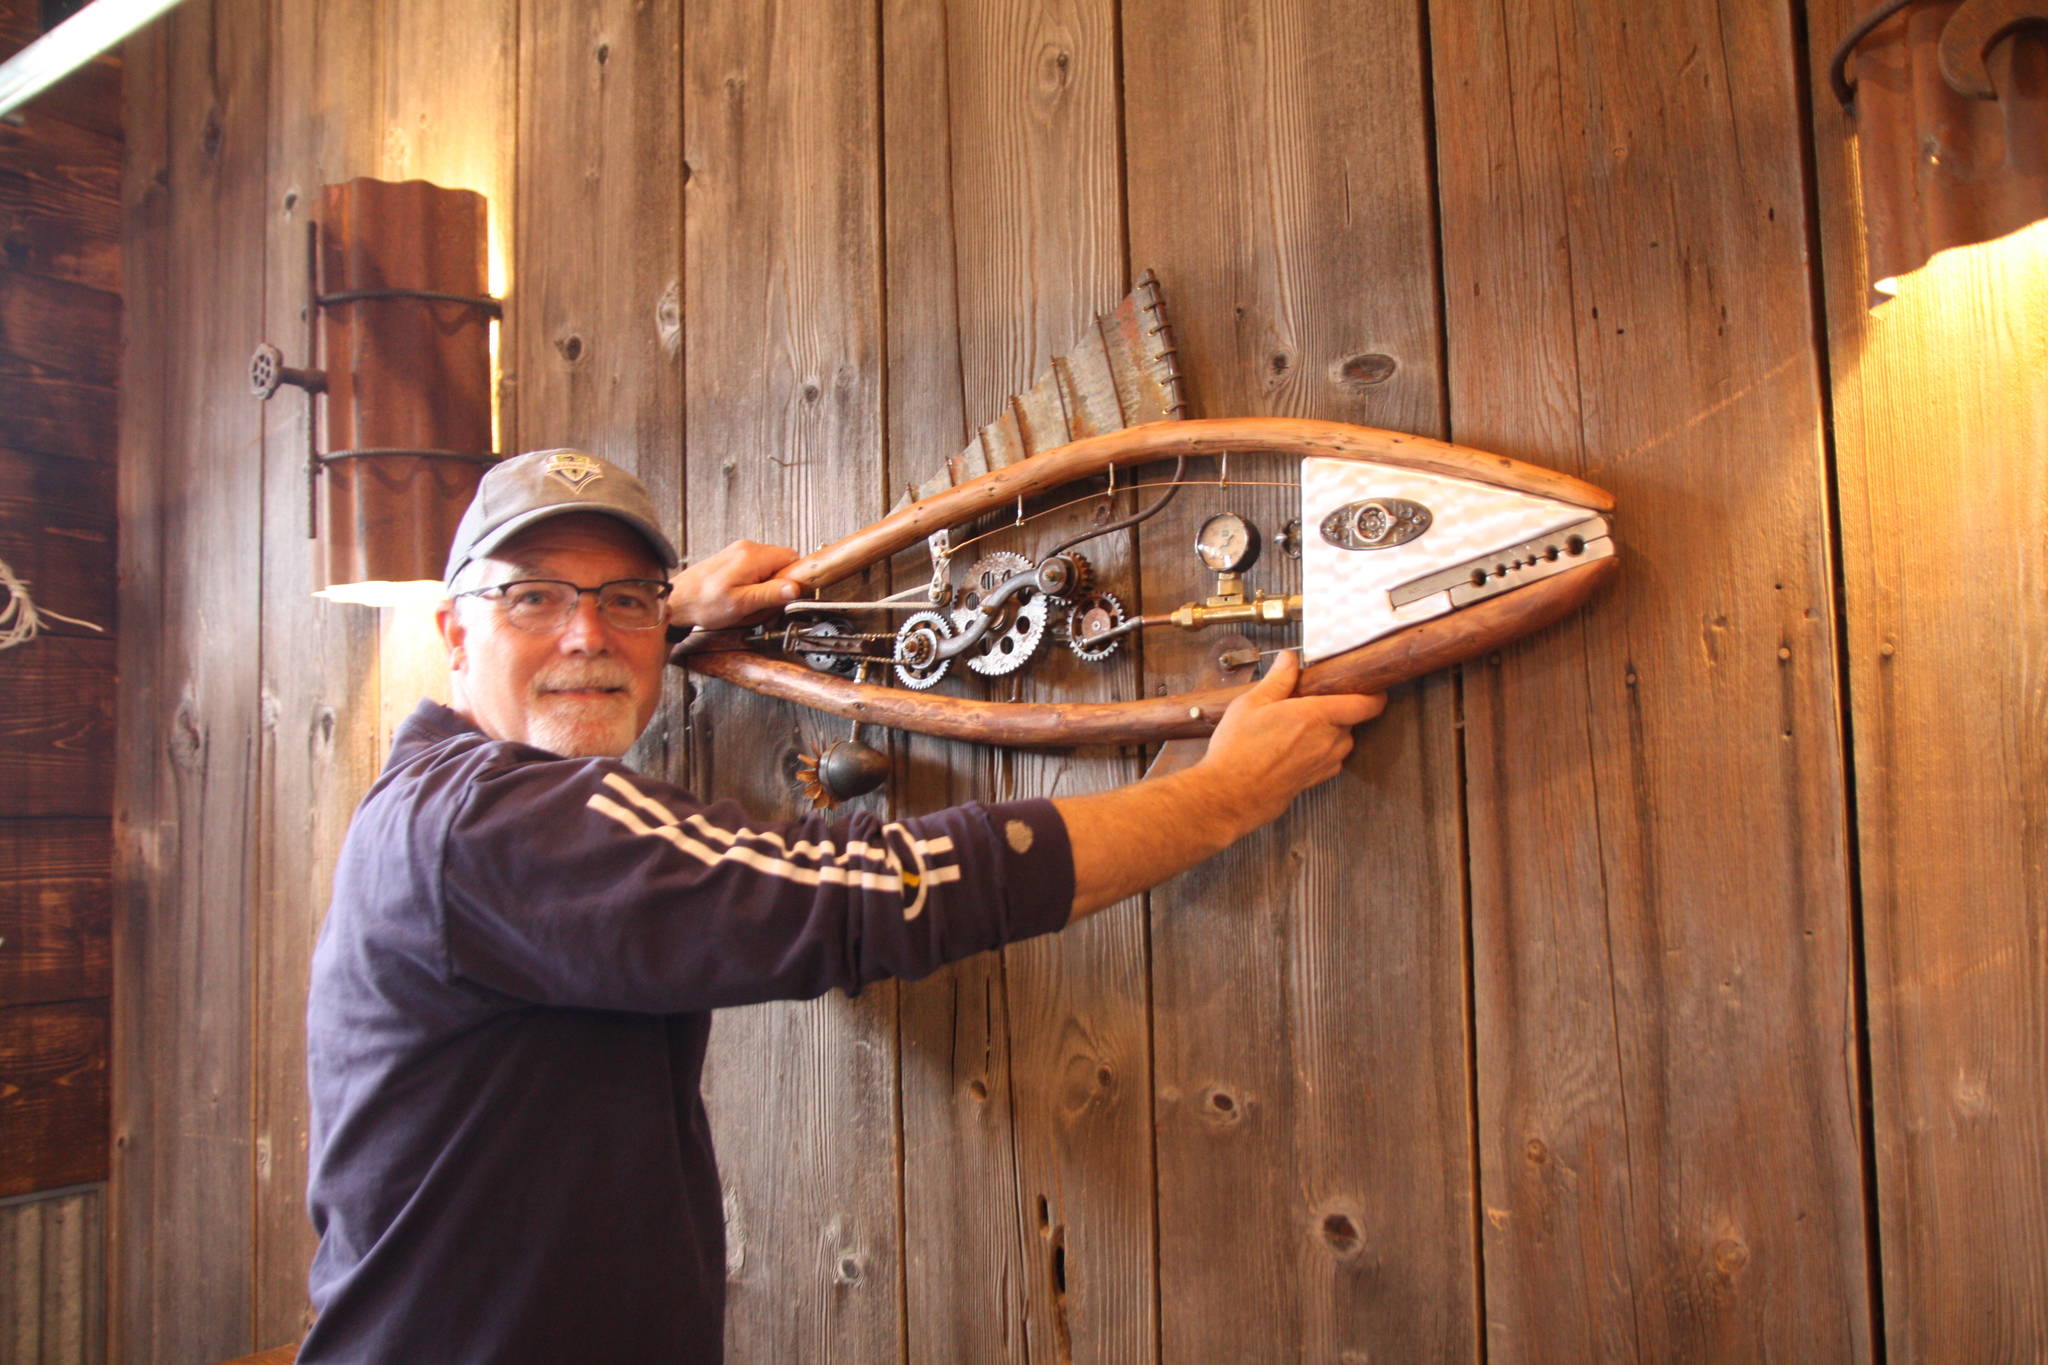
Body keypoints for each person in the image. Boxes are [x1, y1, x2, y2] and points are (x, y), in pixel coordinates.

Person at [301, 449, 1382, 1363]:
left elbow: (583, 649)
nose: (587, 636)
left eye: (623, 598)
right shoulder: (488, 822)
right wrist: (1223, 792)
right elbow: (860, 895)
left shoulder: (434, 801)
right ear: (450, 633)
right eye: (531, 597)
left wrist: (674, 616)